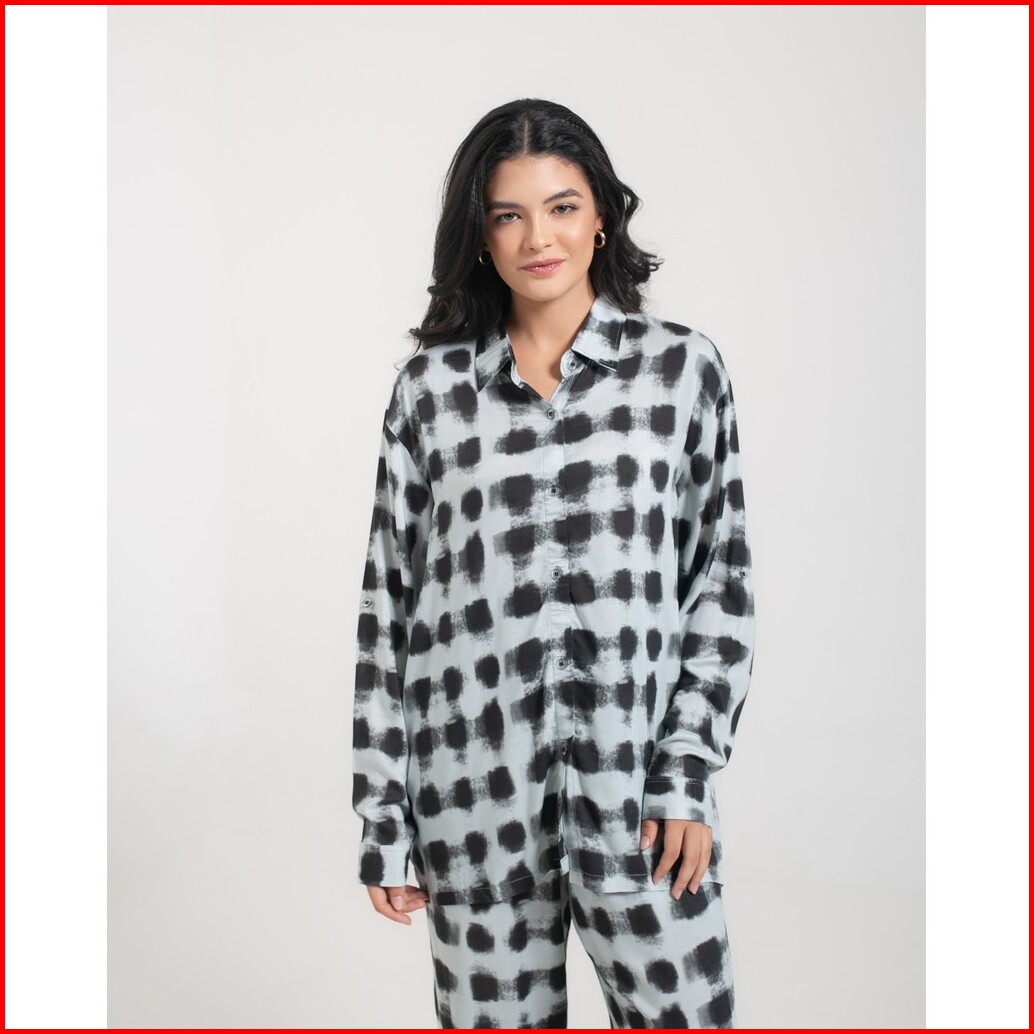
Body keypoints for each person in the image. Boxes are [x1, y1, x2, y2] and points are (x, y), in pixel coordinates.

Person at [351, 97, 756, 1029]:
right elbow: (388, 611)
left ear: (602, 214)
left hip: (640, 808)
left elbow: (721, 586)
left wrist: (686, 773)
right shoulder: (430, 395)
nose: (539, 237)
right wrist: (384, 817)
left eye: (563, 206)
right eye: (508, 214)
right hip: (471, 813)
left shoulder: (681, 373)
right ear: (480, 235)